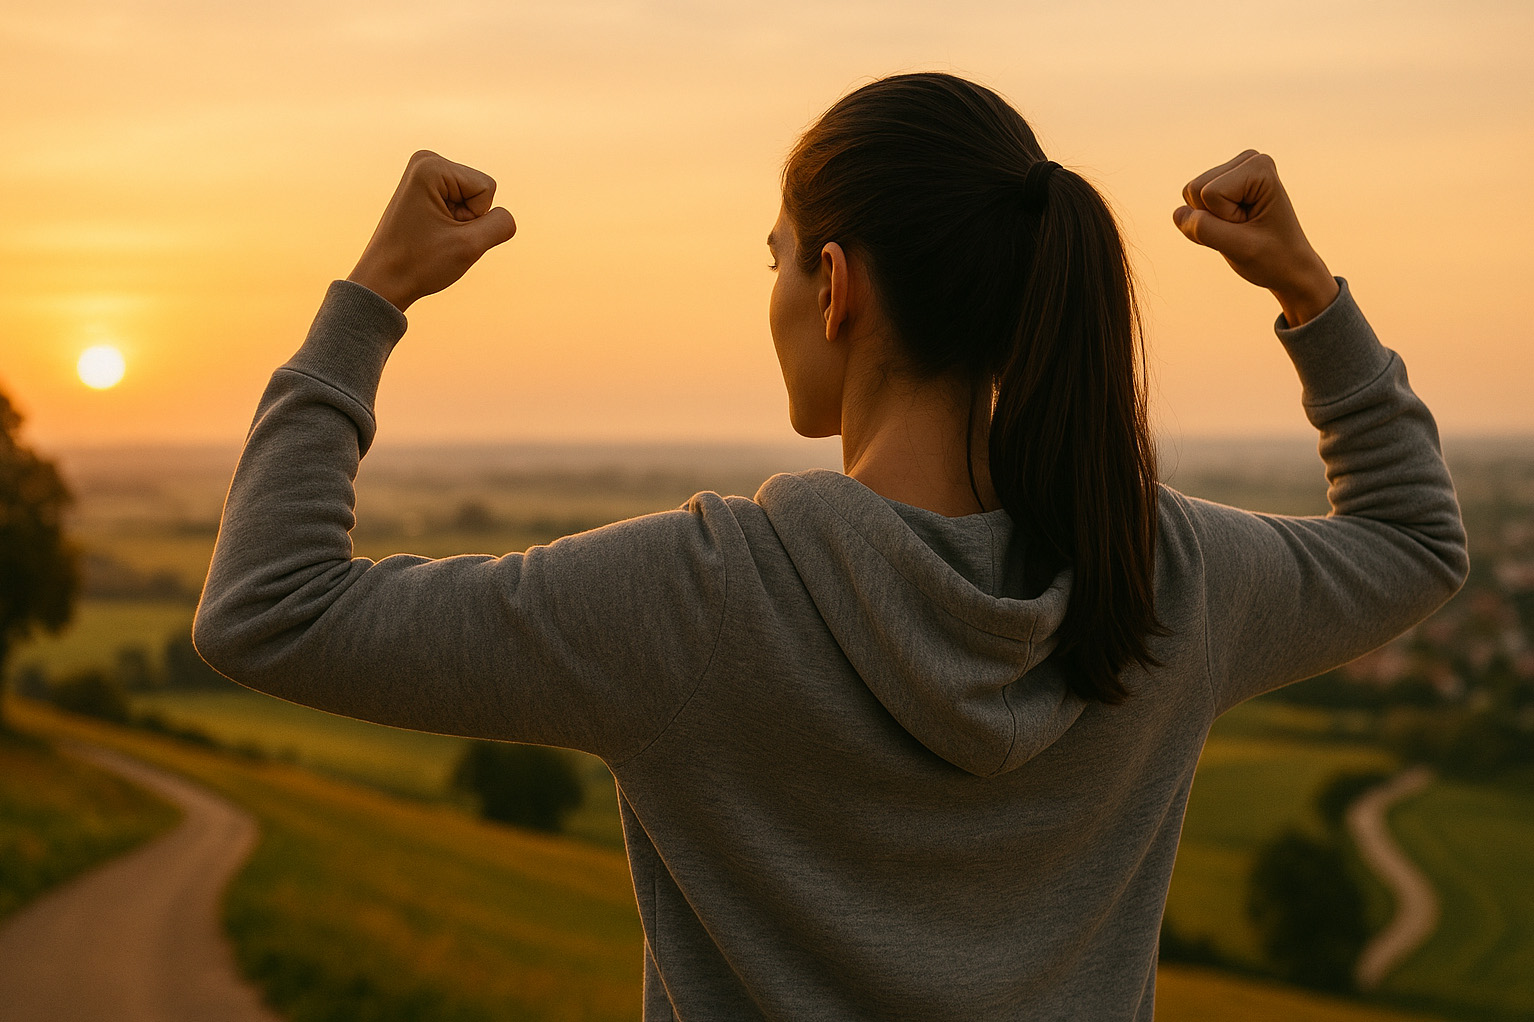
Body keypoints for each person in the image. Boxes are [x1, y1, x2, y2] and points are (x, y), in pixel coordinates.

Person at [194, 73, 1467, 1019]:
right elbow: (1415, 540)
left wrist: (370, 300)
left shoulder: (694, 600)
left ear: (837, 285)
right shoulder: (1165, 582)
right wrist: (1307, 291)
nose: (775, 296)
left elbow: (269, 607)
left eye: (777, 260)